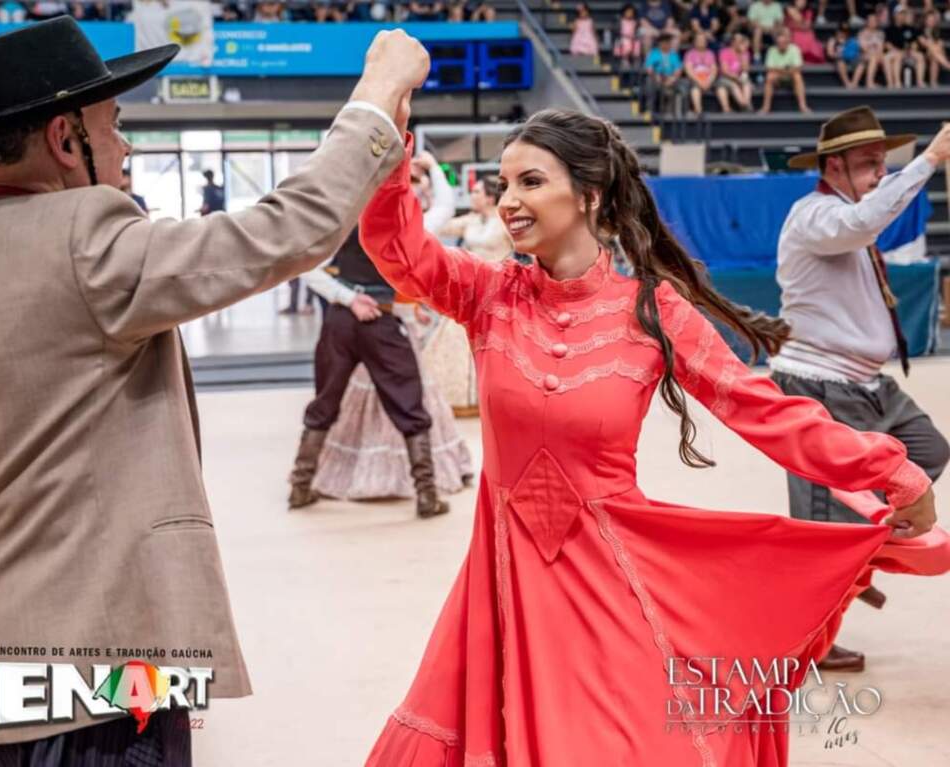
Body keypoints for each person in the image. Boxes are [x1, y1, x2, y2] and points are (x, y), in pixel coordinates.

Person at [358, 107, 946, 766]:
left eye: (530, 182)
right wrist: (386, 120)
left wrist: (890, 471)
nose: (510, 201)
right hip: (500, 596)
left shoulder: (653, 310)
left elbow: (763, 410)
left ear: (590, 194)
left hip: (617, 586)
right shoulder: (486, 293)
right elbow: (398, 250)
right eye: (505, 183)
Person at [0, 16, 428, 761]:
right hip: (95, 675)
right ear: (67, 140)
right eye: (115, 125)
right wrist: (377, 95)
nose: (126, 147)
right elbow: (288, 230)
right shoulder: (88, 239)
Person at [774, 108, 950, 672]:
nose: (880, 173)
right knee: (827, 525)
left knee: (926, 455)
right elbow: (866, 222)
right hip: (820, 384)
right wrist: (930, 162)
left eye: (883, 163)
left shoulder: (843, 214)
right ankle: (806, 635)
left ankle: (862, 560)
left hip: (864, 383)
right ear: (835, 167)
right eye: (870, 164)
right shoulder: (815, 215)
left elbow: (869, 220)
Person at [296, 152, 474, 502]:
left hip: (340, 321)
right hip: (382, 319)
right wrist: (435, 167)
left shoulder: (345, 222)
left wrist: (347, 299)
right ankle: (427, 495)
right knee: (409, 401)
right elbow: (446, 207)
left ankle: (299, 487)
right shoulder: (404, 227)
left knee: (326, 400)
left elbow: (306, 269)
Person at [424, 176, 513, 417]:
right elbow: (437, 225)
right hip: (468, 289)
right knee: (453, 340)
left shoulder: (505, 222)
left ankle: (493, 399)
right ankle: (459, 400)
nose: (471, 196)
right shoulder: (470, 221)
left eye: (476, 192)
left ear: (489, 197)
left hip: (497, 291)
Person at [759, 28, 810, 113]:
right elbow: (769, 68)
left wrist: (780, 70)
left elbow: (798, 67)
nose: (781, 45)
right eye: (779, 43)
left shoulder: (795, 49)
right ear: (777, 43)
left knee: (797, 76)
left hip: (790, 78)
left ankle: (803, 106)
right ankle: (765, 107)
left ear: (787, 42)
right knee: (769, 76)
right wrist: (787, 70)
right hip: (778, 78)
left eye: (783, 43)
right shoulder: (772, 50)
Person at [642, 33, 688, 115]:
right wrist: (656, 76)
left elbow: (678, 69)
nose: (666, 44)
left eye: (668, 42)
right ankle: (649, 110)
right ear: (660, 43)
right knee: (649, 82)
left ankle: (683, 112)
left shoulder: (673, 54)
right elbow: (649, 68)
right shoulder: (653, 53)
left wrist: (673, 78)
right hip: (657, 77)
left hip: (671, 78)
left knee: (684, 85)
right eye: (664, 42)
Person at [884, 5, 927, 87]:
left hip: (908, 52)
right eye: (900, 14)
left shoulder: (909, 28)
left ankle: (920, 82)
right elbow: (887, 45)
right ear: (895, 15)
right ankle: (894, 83)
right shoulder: (889, 29)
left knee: (920, 56)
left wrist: (912, 48)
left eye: (904, 14)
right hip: (895, 52)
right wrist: (898, 51)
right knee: (894, 57)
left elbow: (914, 43)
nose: (902, 16)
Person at [683, 31, 718, 114]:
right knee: (695, 88)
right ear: (694, 42)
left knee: (721, 87)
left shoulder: (710, 53)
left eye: (703, 40)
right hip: (696, 79)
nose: (701, 42)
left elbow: (714, 69)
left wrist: (709, 81)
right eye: (699, 40)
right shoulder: (690, 54)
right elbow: (689, 70)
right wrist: (700, 81)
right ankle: (698, 110)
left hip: (709, 79)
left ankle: (726, 110)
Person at [717, 31, 754, 109]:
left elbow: (745, 69)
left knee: (747, 84)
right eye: (739, 41)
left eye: (742, 41)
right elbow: (724, 71)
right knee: (734, 86)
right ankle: (745, 105)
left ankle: (746, 104)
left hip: (740, 78)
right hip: (726, 78)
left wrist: (742, 54)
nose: (741, 43)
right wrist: (737, 79)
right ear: (733, 42)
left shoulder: (745, 53)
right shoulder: (724, 52)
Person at [827, 21, 866, 88]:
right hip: (840, 59)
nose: (842, 33)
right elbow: (830, 53)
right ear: (837, 31)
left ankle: (854, 83)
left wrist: (860, 53)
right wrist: (837, 54)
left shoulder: (852, 40)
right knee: (840, 63)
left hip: (852, 58)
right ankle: (847, 83)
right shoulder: (833, 40)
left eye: (845, 31)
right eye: (841, 31)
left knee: (861, 64)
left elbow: (861, 50)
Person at [919, 8, 950, 85]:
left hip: (935, 54)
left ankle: (933, 82)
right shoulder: (920, 30)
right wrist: (928, 34)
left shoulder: (937, 31)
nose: (931, 21)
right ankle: (948, 65)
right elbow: (925, 44)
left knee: (934, 58)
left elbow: (940, 45)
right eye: (929, 19)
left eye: (933, 20)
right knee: (933, 51)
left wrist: (931, 40)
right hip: (923, 54)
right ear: (925, 20)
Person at [858, 11, 890, 87]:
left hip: (878, 54)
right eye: (871, 21)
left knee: (886, 58)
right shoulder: (862, 33)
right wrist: (873, 51)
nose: (873, 22)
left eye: (875, 21)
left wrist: (878, 54)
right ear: (867, 22)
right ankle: (869, 82)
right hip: (865, 55)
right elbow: (863, 48)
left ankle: (890, 83)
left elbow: (881, 48)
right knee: (873, 58)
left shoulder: (880, 33)